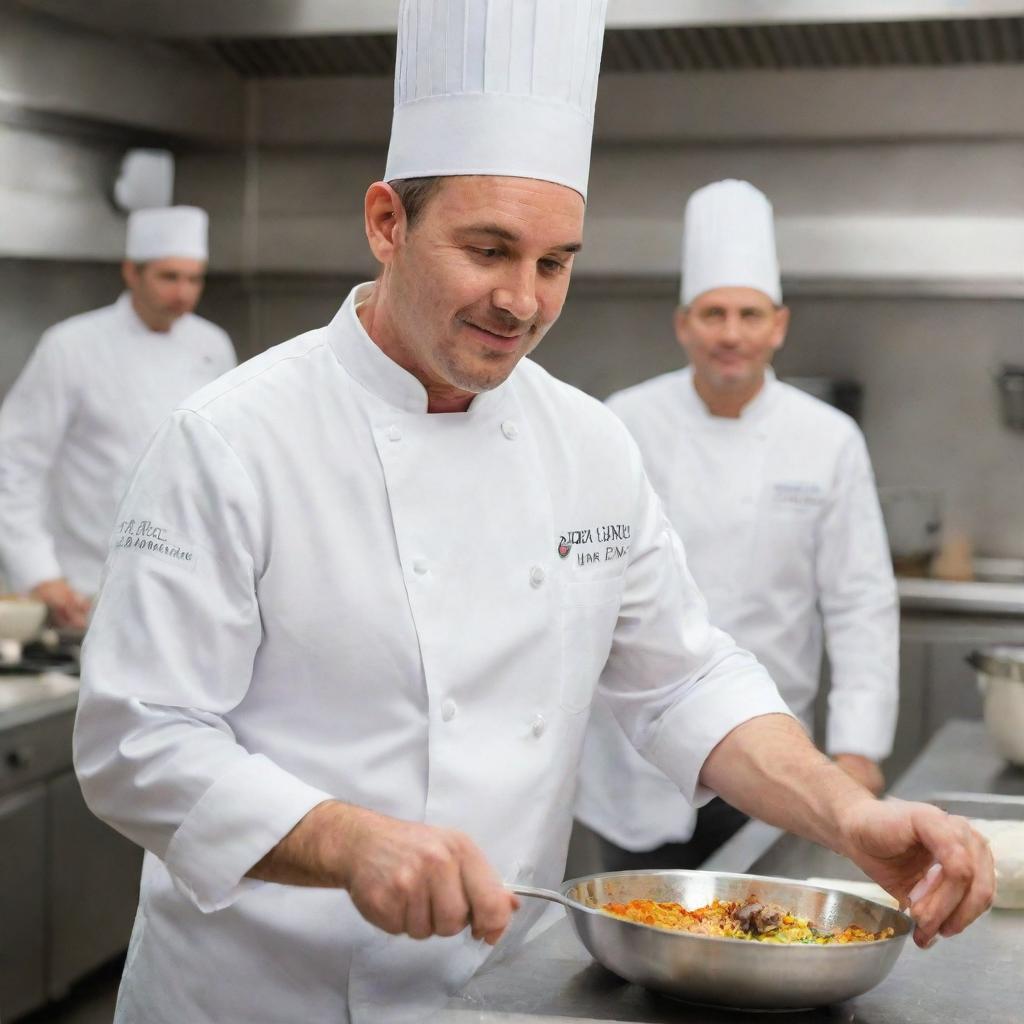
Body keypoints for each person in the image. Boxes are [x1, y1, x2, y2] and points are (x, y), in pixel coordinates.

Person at [74, 6, 992, 1024]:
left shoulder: (586, 444)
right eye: (488, 248)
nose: (521, 299)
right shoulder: (230, 439)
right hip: (254, 996)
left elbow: (683, 677)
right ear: (386, 221)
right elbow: (138, 741)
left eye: (554, 262)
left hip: (495, 987)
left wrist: (850, 814)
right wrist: (351, 840)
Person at [575, 179, 900, 871]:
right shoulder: (621, 423)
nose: (731, 334)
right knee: (635, 940)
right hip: (633, 761)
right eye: (713, 313)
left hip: (772, 756)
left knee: (761, 930)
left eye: (749, 315)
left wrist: (858, 749)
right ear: (683, 323)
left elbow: (860, 600)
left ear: (778, 324)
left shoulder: (828, 439)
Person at [0, 206, 235, 627]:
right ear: (132, 272)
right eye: (169, 277)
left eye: (193, 278)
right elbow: (13, 462)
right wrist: (39, 572)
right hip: (83, 587)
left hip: (181, 587)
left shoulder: (212, 346)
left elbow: (221, 464)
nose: (183, 292)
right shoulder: (71, 346)